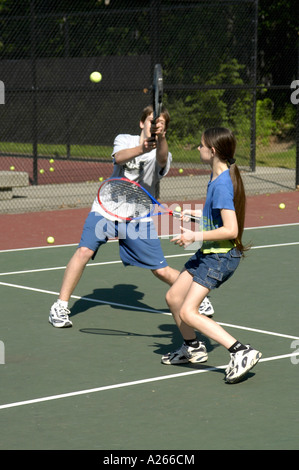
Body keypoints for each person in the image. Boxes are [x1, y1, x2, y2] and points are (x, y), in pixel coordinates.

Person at [49, 105, 214, 328]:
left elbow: (162, 159)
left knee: (161, 269)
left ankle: (199, 297)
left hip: (138, 218)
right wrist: (143, 148)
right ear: (142, 123)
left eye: (161, 124)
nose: (155, 126)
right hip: (106, 209)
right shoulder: (124, 140)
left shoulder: (164, 152)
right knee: (84, 251)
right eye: (152, 122)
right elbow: (118, 158)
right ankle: (60, 306)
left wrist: (160, 140)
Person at [162, 127, 262, 384]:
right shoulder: (219, 176)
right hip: (210, 252)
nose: (198, 148)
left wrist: (194, 236)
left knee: (189, 312)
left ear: (213, 151)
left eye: (201, 145)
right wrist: (194, 217)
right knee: (173, 297)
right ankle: (193, 347)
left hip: (219, 257)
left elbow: (231, 229)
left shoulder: (222, 185)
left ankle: (241, 351)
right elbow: (216, 218)